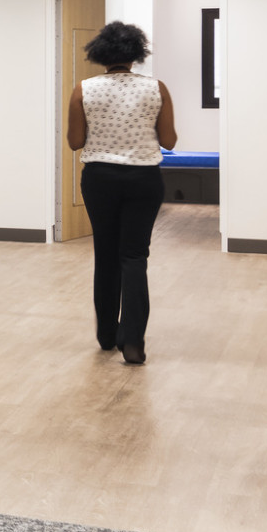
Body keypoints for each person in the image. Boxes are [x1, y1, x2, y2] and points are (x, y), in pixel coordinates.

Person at [67, 20, 176, 365]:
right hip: (144, 179)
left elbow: (74, 142)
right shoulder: (156, 88)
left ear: (100, 54)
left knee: (106, 252)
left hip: (99, 178)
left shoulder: (83, 89)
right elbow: (170, 141)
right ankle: (133, 343)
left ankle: (106, 335)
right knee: (134, 257)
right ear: (136, 54)